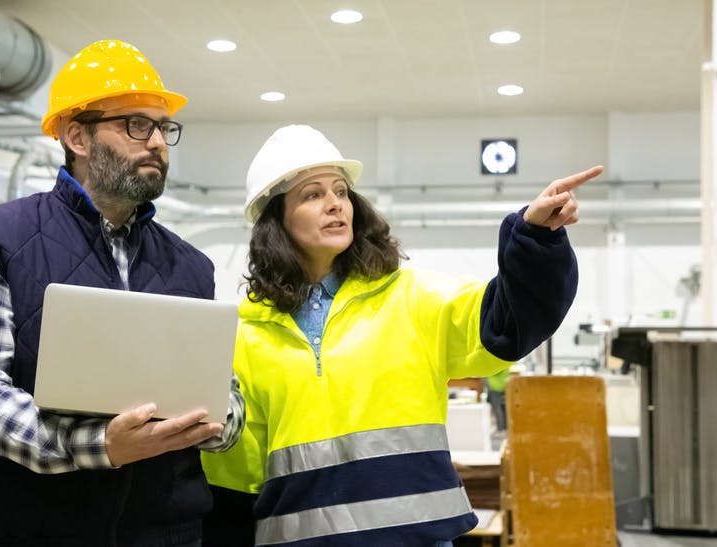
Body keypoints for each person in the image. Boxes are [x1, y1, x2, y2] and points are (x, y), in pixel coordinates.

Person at [200, 124, 600, 546]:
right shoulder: (246, 331)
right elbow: (236, 480)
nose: (335, 204)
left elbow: (505, 322)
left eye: (341, 191)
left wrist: (534, 237)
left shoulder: (412, 297)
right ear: (274, 218)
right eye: (313, 194)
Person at [0, 39, 244, 546]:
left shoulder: (191, 266)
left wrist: (217, 422)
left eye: (164, 127)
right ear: (77, 136)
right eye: (136, 125)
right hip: (33, 530)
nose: (158, 143)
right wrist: (98, 445)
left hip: (165, 532)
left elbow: (224, 395)